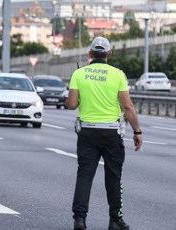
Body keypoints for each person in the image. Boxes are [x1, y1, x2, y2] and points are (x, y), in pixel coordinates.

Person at [66, 36, 143, 230]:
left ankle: (80, 219)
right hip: (111, 133)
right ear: (109, 54)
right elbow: (127, 106)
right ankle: (115, 220)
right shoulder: (118, 74)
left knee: (85, 175)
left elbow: (71, 105)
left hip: (87, 133)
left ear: (90, 53)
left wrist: (82, 98)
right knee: (114, 176)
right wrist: (137, 131)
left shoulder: (79, 74)